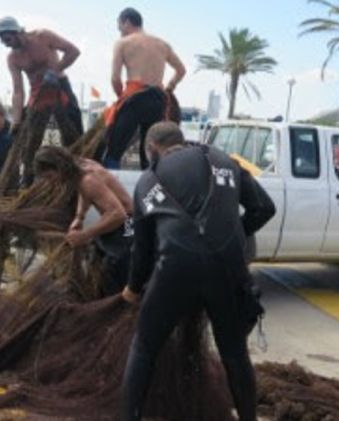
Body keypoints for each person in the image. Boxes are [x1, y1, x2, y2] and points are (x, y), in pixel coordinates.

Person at [120, 122, 276, 421]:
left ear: (152, 148)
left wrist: (133, 287)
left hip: (175, 271)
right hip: (227, 269)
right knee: (234, 352)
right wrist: (232, 239)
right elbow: (264, 208)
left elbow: (142, 250)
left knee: (144, 347)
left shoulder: (147, 182)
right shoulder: (223, 161)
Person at [33, 146, 133, 294]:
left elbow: (118, 214)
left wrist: (85, 234)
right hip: (117, 223)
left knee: (113, 276)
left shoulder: (89, 180)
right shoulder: (80, 166)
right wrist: (80, 216)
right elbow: (83, 192)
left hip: (128, 226)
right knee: (97, 261)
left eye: (49, 177)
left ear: (58, 168)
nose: (50, 182)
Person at [101, 8, 186, 170]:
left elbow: (115, 78)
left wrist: (121, 98)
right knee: (151, 152)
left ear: (126, 22)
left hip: (134, 99)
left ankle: (111, 182)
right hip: (157, 100)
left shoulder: (123, 43)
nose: (119, 30)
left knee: (114, 150)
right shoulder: (162, 44)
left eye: (119, 25)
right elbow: (181, 70)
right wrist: (169, 87)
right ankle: (151, 184)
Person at [0, 16, 83, 137]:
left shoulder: (43, 36)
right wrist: (16, 120)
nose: (6, 45)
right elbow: (18, 91)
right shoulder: (12, 58)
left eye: (8, 40)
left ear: (18, 33)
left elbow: (73, 51)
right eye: (3, 42)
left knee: (74, 118)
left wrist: (56, 70)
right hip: (37, 92)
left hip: (59, 85)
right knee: (22, 132)